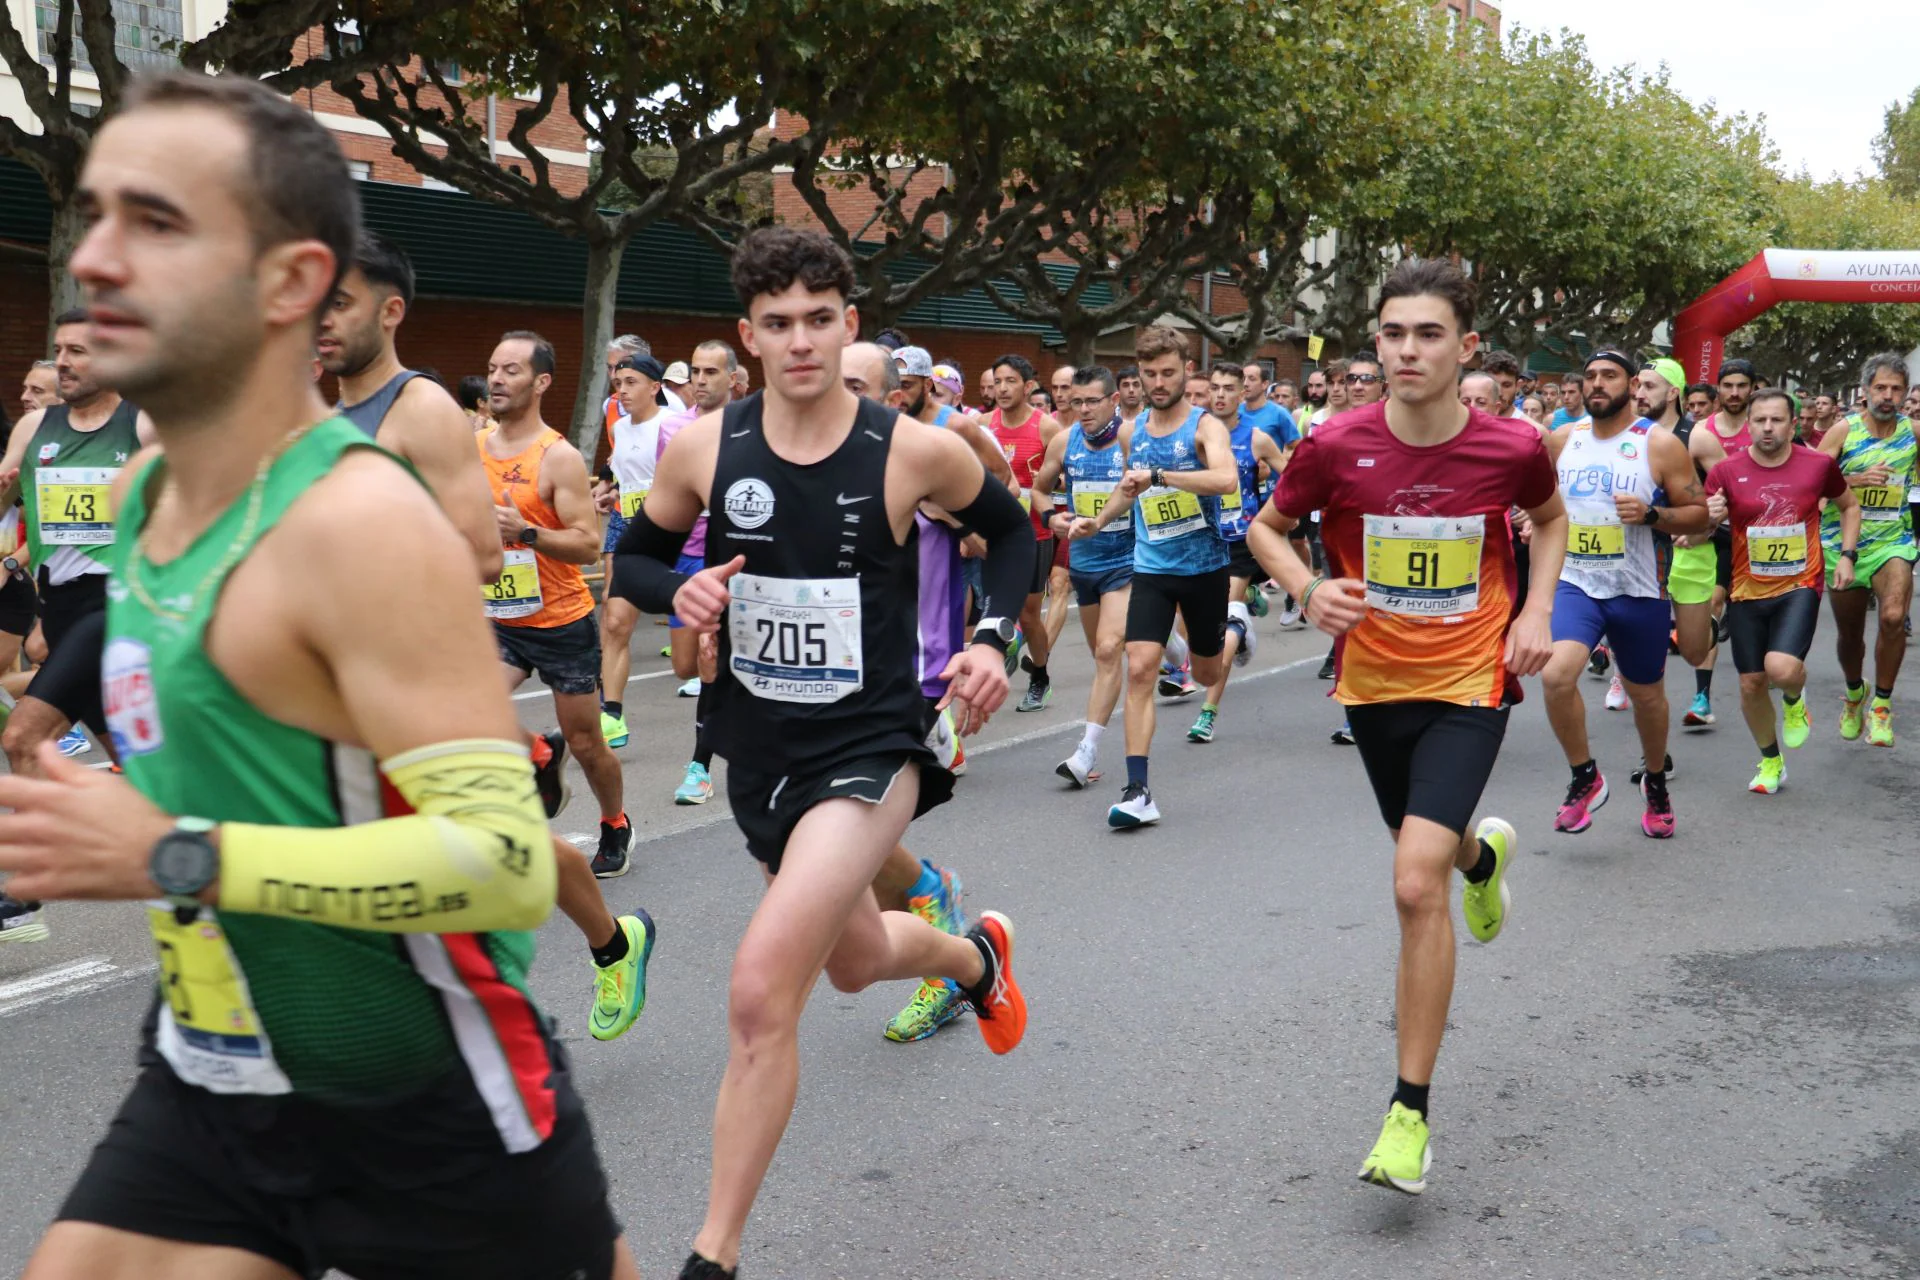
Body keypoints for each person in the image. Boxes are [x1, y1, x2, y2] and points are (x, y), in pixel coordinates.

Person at [0, 69, 635, 1280]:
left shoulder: (358, 525)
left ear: (293, 283)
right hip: (214, 1073)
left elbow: (504, 867)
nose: (96, 262)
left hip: (426, 1103)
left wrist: (168, 852)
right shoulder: (145, 494)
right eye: (96, 219)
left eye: (159, 223)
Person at [609, 226, 1028, 1280]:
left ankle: (713, 1252)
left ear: (849, 321)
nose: (801, 340)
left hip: (873, 746)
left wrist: (990, 638)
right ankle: (975, 955)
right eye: (779, 323)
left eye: (821, 319)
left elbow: (1015, 534)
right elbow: (638, 557)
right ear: (747, 336)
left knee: (762, 989)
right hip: (762, 750)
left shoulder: (911, 449)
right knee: (851, 962)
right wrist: (682, 591)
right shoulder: (705, 446)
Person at [1248, 257, 1566, 1196]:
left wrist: (1537, 613)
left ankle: (1408, 1116)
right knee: (1428, 850)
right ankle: (1483, 860)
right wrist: (1307, 587)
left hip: (1472, 679)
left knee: (1410, 883)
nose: (1407, 350)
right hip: (1375, 685)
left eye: (1429, 334)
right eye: (1393, 334)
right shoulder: (1335, 444)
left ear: (1466, 347)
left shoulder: (1510, 446)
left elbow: (1547, 524)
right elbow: (1266, 529)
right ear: (1375, 343)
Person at [1068, 325, 1236, 828]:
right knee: (1140, 667)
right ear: (1136, 378)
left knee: (1205, 673)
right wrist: (1097, 521)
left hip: (1205, 569)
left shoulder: (1206, 428)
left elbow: (1225, 479)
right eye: (1148, 374)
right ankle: (1138, 791)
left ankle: (1235, 636)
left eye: (1167, 372)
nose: (1158, 382)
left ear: (1187, 371)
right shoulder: (1133, 429)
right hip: (1152, 568)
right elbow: (1130, 486)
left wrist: (1161, 476)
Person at [478, 330, 632, 875]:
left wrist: (525, 534)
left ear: (541, 382)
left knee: (588, 743)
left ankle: (614, 822)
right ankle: (539, 755)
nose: (497, 378)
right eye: (494, 368)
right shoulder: (470, 449)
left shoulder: (557, 456)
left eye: (512, 370)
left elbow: (588, 543)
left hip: (561, 621)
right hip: (498, 618)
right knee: (466, 711)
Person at [1540, 351, 1707, 838]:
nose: (1596, 384)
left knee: (1647, 697)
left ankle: (1655, 780)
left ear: (1631, 384)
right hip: (1576, 582)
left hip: (1637, 588)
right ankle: (1584, 777)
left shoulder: (1658, 445)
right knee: (1555, 674)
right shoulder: (1562, 439)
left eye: (1608, 376)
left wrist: (1652, 516)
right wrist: (1532, 519)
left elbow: (1699, 515)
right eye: (1590, 376)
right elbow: (1540, 501)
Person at [0, 306, 155, 791]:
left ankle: (42, 866)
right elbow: (6, 488)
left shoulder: (144, 425)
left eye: (78, 352)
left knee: (23, 739)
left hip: (116, 602)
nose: (63, 361)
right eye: (60, 350)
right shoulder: (35, 428)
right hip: (60, 604)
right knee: (134, 755)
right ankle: (165, 848)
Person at [318, 233, 500, 582]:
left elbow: (484, 559)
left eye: (340, 304)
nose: (322, 319)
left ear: (390, 312)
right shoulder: (330, 419)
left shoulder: (423, 410)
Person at [1705, 388, 1858, 793]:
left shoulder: (1819, 465)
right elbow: (1703, 531)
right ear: (1748, 425)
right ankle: (1771, 761)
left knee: (1781, 669)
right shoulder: (1725, 472)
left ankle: (1794, 698)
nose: (1768, 428)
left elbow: (1849, 506)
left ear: (1794, 425)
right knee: (1751, 683)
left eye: (1777, 420)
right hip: (1746, 589)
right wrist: (1708, 519)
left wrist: (1847, 555)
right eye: (1760, 420)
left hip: (1799, 583)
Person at [1033, 366, 1133, 786]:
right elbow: (1038, 489)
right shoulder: (1063, 440)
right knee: (1101, 653)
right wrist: (1051, 517)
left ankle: (1084, 751)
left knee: (1110, 650)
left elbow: (1143, 491)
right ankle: (1171, 642)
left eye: (1093, 401)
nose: (1085, 409)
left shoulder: (1130, 438)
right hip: (1085, 564)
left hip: (1128, 561)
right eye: (1078, 402)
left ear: (1113, 400)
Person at [655, 340, 741, 804]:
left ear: (733, 379)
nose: (701, 380)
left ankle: (699, 768)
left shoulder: (752, 429)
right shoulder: (673, 428)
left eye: (711, 371)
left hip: (734, 559)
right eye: (695, 371)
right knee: (687, 664)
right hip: (687, 555)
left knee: (710, 657)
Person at [1817, 353, 1915, 746]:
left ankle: (1883, 706)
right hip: (1844, 543)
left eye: (1896, 389)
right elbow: (1812, 484)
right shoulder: (1843, 431)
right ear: (1865, 390)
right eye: (1881, 388)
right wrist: (1854, 478)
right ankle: (1856, 692)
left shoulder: (1915, 432)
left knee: (1893, 618)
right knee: (1850, 634)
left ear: (1906, 393)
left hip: (1894, 539)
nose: (1888, 396)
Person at [1189, 361, 1288, 744]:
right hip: (1199, 538)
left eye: (1229, 388)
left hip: (1241, 540)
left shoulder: (1257, 438)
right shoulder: (1192, 434)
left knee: (1221, 625)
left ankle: (1207, 712)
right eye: (1214, 387)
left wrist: (1280, 512)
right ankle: (1249, 596)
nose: (1219, 395)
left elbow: (1291, 475)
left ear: (1241, 393)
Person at [590, 353, 670, 750]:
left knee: (695, 639)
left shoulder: (672, 425)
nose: (621, 389)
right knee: (615, 617)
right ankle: (612, 714)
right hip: (627, 524)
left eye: (631, 382)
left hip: (671, 525)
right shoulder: (620, 429)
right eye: (618, 382)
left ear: (655, 387)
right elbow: (625, 473)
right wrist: (611, 492)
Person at [985, 353, 1063, 710]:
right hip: (994, 533)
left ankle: (1040, 677)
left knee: (1029, 613)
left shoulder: (1045, 427)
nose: (1002, 388)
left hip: (1035, 533)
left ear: (1028, 385)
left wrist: (1055, 485)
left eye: (1010, 381)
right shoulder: (984, 425)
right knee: (996, 608)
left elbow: (1068, 468)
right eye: (997, 381)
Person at [1240, 358, 1299, 454]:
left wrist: (1278, 462)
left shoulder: (1279, 413)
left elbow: (1298, 448)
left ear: (1264, 384)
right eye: (1243, 379)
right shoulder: (1235, 412)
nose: (1245, 383)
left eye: (1251, 379)